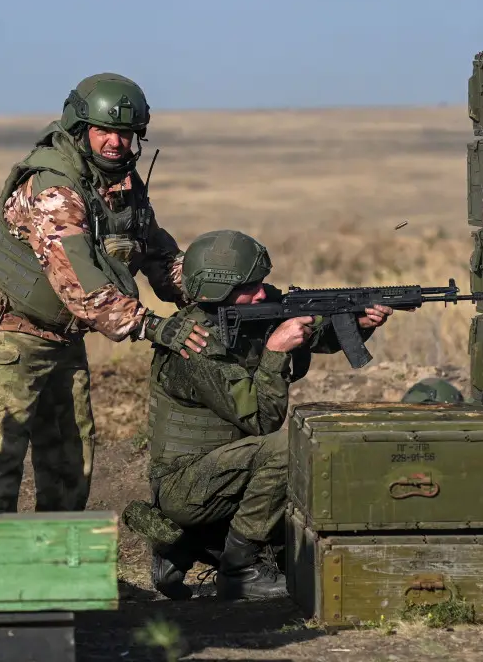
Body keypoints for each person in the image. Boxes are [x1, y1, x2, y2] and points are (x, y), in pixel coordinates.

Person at [0, 73, 210, 516]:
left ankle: (60, 571)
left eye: (125, 134)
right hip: (11, 336)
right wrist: (152, 326)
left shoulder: (121, 187)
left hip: (62, 339)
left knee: (69, 464)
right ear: (81, 129)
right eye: (105, 131)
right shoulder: (54, 188)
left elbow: (158, 257)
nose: (116, 143)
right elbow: (81, 289)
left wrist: (220, 289)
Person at [143, 229, 394, 601]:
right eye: (250, 287)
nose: (262, 293)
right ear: (217, 291)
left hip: (225, 473)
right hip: (186, 487)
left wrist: (356, 323)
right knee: (290, 445)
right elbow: (262, 420)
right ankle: (239, 571)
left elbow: (312, 331)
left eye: (261, 282)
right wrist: (276, 350)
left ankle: (184, 548)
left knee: (294, 538)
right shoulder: (194, 345)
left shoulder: (249, 311)